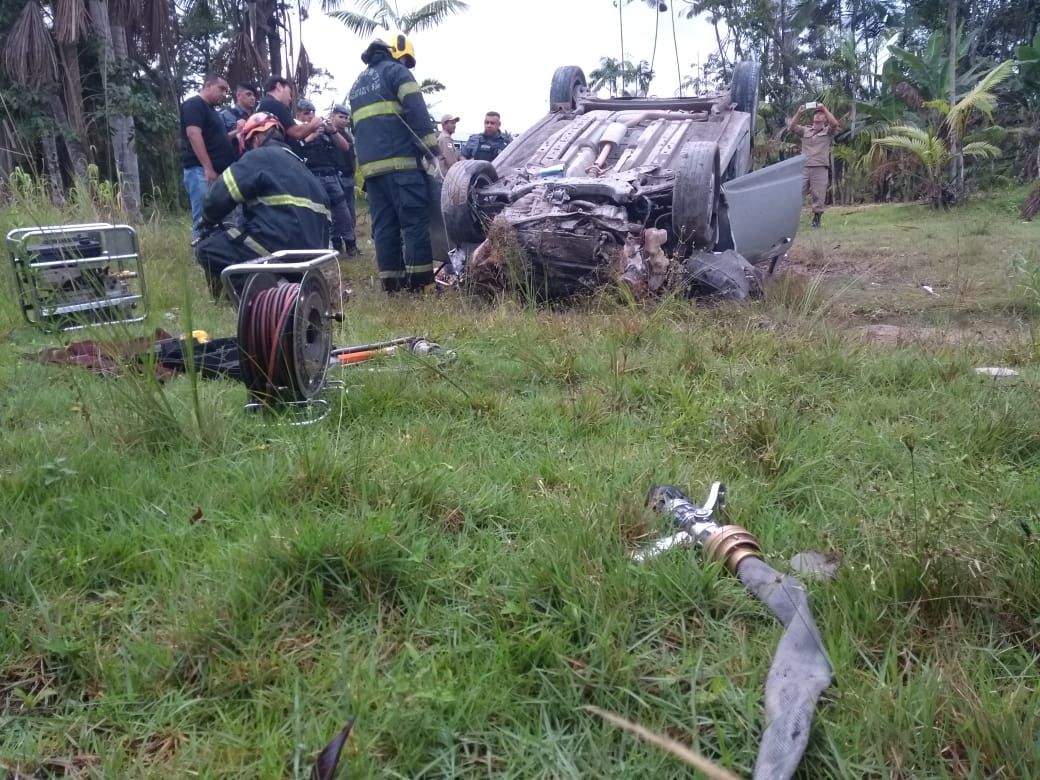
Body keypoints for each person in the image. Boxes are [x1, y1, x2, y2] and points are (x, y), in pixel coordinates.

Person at [194, 112, 331, 298]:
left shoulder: (259, 156)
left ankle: (273, 292)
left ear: (256, 137)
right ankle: (288, 284)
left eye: (249, 143)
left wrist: (207, 219)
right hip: (313, 254)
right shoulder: (300, 165)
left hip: (281, 247)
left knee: (207, 248)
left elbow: (219, 195)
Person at [349, 34, 441, 293]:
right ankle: (419, 285)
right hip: (401, 166)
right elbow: (417, 112)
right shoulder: (397, 72)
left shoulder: (357, 83)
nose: (408, 66)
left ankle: (392, 285)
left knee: (385, 227)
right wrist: (431, 149)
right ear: (397, 54)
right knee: (413, 223)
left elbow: (356, 127)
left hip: (372, 171)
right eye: (407, 61)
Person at [295, 99, 357, 257]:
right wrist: (311, 135)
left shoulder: (325, 130)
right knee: (318, 216)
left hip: (331, 176)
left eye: (313, 112)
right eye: (306, 113)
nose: (311, 116)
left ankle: (350, 245)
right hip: (311, 178)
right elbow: (294, 151)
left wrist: (332, 131)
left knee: (343, 213)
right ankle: (323, 249)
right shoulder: (295, 131)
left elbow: (345, 147)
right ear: (298, 114)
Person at [179, 74, 235, 238]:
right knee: (204, 216)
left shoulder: (212, 111)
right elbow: (193, 134)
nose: (224, 94)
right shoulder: (194, 104)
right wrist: (208, 168)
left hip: (218, 172)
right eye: (221, 89)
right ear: (208, 85)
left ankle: (217, 254)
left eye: (226, 91)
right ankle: (202, 256)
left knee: (220, 216)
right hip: (200, 171)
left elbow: (216, 139)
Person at [787, 102, 839, 228]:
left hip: (820, 167)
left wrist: (824, 109)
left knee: (818, 194)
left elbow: (835, 124)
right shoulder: (805, 130)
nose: (817, 116)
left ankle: (816, 220)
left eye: (821, 114)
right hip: (804, 166)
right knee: (798, 193)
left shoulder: (827, 132)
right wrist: (799, 112)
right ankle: (790, 220)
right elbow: (792, 126)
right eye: (816, 114)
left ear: (825, 119)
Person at [329, 104, 360, 256]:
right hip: (336, 176)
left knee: (350, 213)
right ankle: (338, 244)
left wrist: (353, 173)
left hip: (348, 176)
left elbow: (352, 156)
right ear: (332, 116)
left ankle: (344, 244)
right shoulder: (328, 134)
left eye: (346, 118)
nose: (344, 120)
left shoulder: (348, 135)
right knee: (340, 214)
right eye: (340, 117)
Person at [256, 76, 324, 143]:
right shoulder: (275, 104)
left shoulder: (262, 104)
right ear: (279, 86)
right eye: (289, 93)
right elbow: (296, 132)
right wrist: (314, 124)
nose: (290, 99)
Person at [220, 82, 258, 160]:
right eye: (248, 94)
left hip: (255, 161)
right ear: (238, 95)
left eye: (254, 95)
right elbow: (218, 140)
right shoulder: (225, 115)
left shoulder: (258, 116)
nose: (253, 98)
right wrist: (237, 131)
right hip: (233, 163)